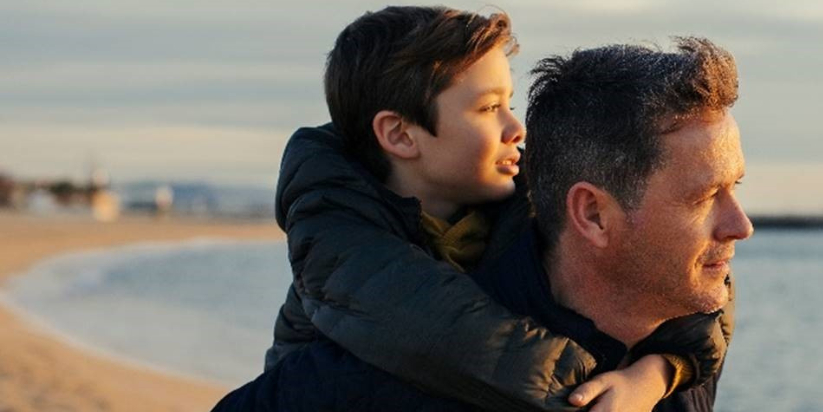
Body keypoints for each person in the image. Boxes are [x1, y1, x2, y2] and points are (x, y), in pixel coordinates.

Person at [215, 35, 749, 412]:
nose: (741, 225)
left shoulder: (679, 338)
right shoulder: (370, 363)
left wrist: (662, 372)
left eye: (735, 188)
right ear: (590, 213)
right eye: (704, 197)